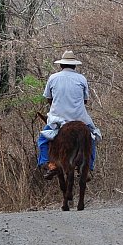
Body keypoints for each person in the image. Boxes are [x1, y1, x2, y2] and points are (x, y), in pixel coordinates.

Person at [37, 50, 99, 179]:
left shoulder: (53, 78)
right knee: (92, 139)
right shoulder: (82, 78)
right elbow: (85, 100)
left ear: (61, 65)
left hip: (58, 118)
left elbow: (48, 98)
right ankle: (88, 167)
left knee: (43, 140)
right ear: (75, 66)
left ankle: (50, 164)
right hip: (80, 118)